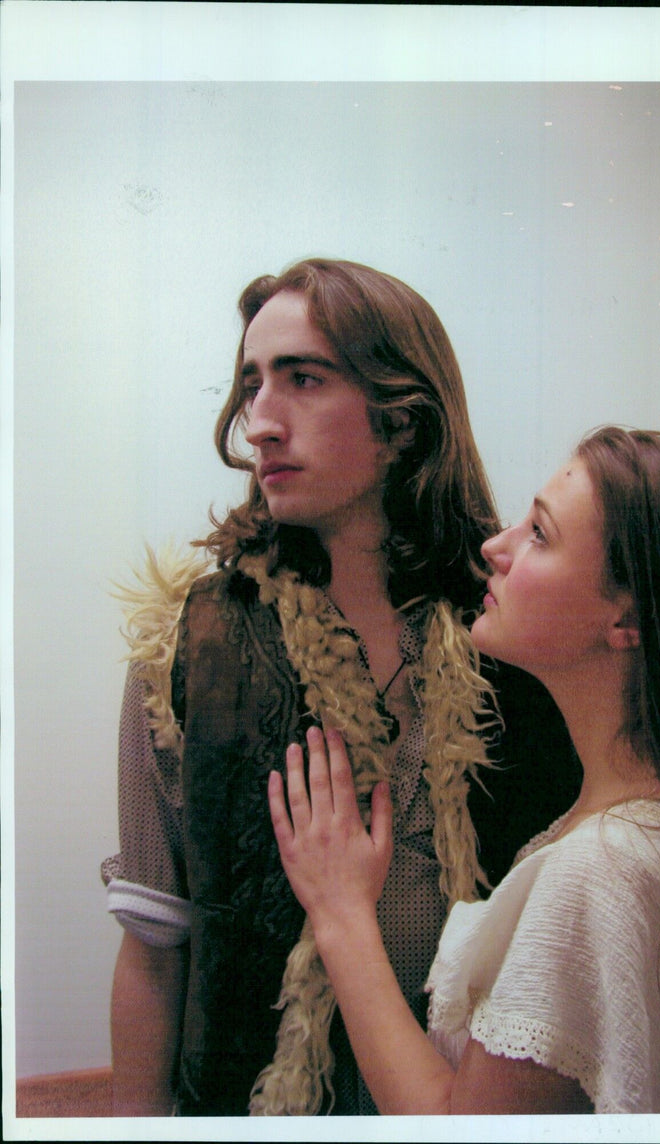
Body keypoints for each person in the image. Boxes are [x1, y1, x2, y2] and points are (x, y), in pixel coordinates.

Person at [102, 258, 578, 1116]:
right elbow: (153, 943)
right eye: (252, 385)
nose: (261, 425)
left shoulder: (518, 633)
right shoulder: (188, 644)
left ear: (405, 415)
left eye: (304, 379)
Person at [270, 426, 660, 1114]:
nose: (497, 547)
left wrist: (340, 912)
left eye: (540, 534)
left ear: (626, 616)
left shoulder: (601, 870)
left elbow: (458, 1131)